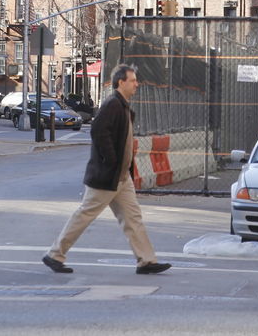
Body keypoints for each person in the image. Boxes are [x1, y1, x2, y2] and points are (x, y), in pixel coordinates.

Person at [42, 64, 171, 275]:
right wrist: (111, 161)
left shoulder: (122, 105)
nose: (136, 84)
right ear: (121, 82)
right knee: (85, 215)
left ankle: (146, 261)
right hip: (108, 176)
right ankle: (55, 254)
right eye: (133, 80)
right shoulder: (113, 104)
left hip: (120, 177)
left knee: (133, 218)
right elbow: (98, 131)